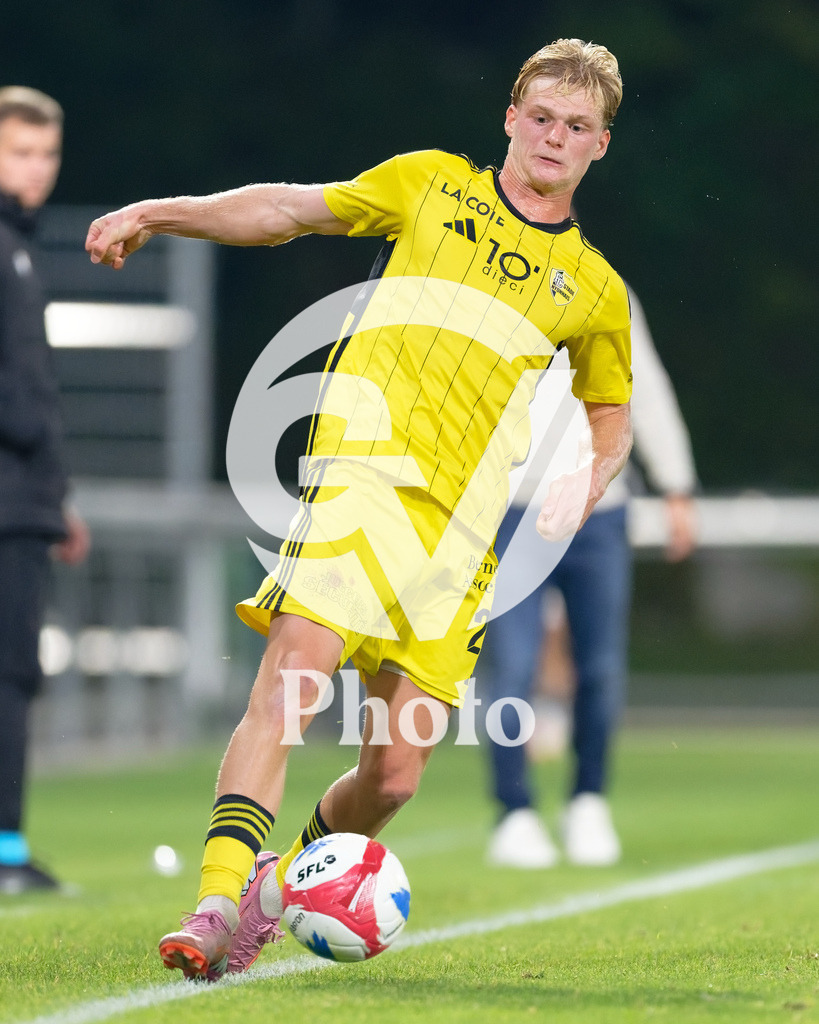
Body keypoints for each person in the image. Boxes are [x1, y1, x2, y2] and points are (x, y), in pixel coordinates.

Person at [86, 38, 633, 980]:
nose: (553, 137)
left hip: (462, 535)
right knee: (294, 675)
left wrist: (585, 479)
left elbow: (611, 414)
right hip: (361, 480)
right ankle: (216, 899)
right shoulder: (429, 184)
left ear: (599, 144)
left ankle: (270, 894)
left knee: (394, 774)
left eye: (575, 126)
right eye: (541, 117)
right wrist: (159, 212)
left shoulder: (592, 287)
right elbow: (285, 211)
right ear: (510, 118)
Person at [483, 281, 698, 869]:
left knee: (600, 668)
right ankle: (514, 810)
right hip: (510, 510)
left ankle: (588, 801)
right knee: (512, 667)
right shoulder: (488, 282)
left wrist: (676, 482)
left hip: (598, 508)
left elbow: (642, 387)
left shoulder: (609, 292)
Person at [0, 86, 90, 894]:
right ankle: (4, 851)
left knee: (15, 670)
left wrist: (54, 498)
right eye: (19, 151)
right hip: (8, 495)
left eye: (47, 153)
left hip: (25, 499)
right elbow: (25, 399)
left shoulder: (19, 246)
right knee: (8, 670)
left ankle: (8, 844)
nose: (37, 168)